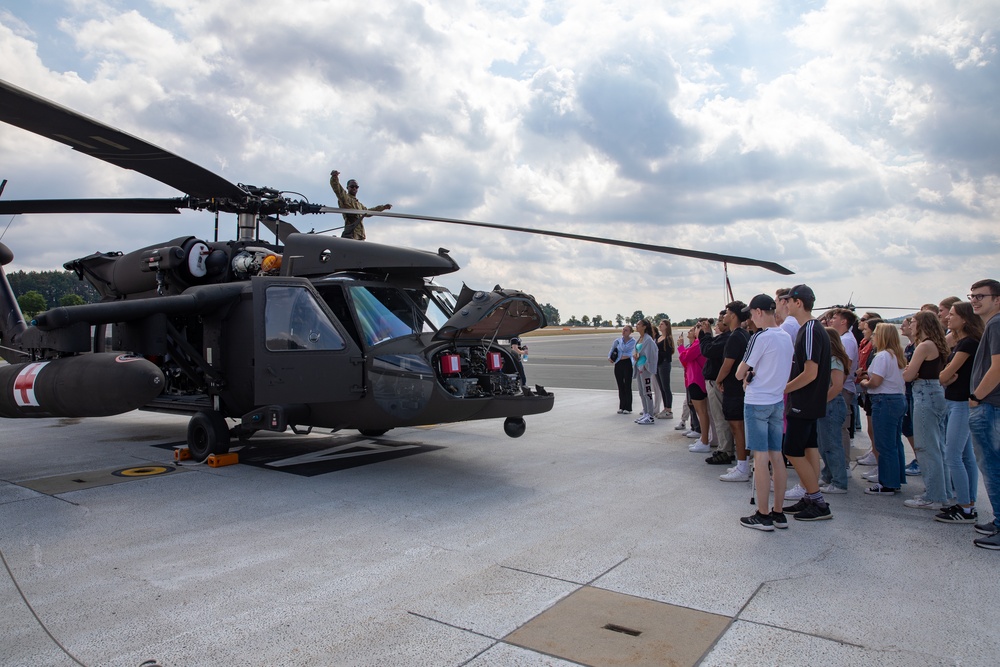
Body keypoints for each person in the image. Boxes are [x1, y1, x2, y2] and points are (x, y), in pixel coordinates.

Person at [737, 294, 794, 530]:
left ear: (759, 312)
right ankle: (778, 512)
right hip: (776, 401)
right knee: (776, 456)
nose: (751, 319)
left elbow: (741, 372)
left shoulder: (760, 337)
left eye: (751, 314)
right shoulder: (786, 336)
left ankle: (762, 513)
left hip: (757, 401)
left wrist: (747, 376)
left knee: (760, 458)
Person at [780, 285, 833, 522]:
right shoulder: (810, 328)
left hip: (805, 400)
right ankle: (811, 496)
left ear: (798, 303)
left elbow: (811, 372)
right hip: (809, 401)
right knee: (809, 447)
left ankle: (818, 501)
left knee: (791, 449)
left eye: (788, 301)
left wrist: (783, 389)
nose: (786, 305)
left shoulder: (810, 330)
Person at [935, 301, 982, 524]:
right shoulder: (964, 341)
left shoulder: (967, 344)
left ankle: (965, 507)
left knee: (953, 455)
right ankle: (967, 501)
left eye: (952, 315)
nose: (947, 318)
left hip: (960, 404)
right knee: (965, 456)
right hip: (957, 402)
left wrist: (946, 376)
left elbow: (943, 376)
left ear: (964, 318)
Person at [901, 311, 949, 510]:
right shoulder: (938, 344)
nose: (910, 325)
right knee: (938, 446)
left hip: (924, 393)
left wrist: (909, 371)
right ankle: (944, 490)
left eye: (913, 322)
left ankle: (934, 495)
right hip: (936, 391)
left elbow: (908, 375)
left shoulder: (924, 345)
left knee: (926, 447)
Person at [968, 279, 1000, 549]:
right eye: (972, 296)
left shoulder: (997, 323)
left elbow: (998, 367)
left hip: (989, 406)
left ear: (997, 299)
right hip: (989, 406)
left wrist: (977, 396)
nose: (975, 300)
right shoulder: (992, 324)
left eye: (981, 296)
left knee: (993, 468)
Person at [859, 323, 908, 496]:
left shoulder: (882, 356)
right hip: (897, 398)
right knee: (895, 443)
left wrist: (864, 382)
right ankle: (896, 478)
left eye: (876, 334)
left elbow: (875, 382)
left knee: (884, 444)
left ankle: (887, 483)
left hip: (884, 400)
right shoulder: (897, 355)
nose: (873, 337)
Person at [718, 302, 752, 480]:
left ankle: (743, 466)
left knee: (737, 426)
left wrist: (719, 379)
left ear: (733, 316)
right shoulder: (743, 334)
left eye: (727, 312)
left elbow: (728, 364)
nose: (724, 315)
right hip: (739, 388)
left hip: (734, 388)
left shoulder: (735, 337)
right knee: (738, 427)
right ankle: (742, 463)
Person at [817, 327, 851, 493]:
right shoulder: (828, 359)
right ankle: (828, 475)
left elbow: (837, 386)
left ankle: (839, 481)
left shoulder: (834, 360)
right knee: (824, 444)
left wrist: (820, 402)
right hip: (828, 404)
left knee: (832, 444)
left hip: (831, 405)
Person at [329, 170, 392, 240]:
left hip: (360, 235)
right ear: (347, 188)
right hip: (351, 234)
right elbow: (338, 190)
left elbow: (368, 212)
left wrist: (383, 207)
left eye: (356, 187)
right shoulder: (346, 199)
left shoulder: (359, 204)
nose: (354, 188)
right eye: (352, 186)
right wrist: (334, 177)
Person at [678, 327, 711, 452]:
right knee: (700, 411)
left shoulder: (698, 343)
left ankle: (705, 441)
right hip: (693, 378)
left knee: (701, 411)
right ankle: (704, 438)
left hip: (697, 379)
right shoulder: (697, 344)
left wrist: (681, 347)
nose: (693, 331)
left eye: (695, 329)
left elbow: (685, 357)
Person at [632, 318, 659, 425]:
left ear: (644, 327)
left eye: (639, 324)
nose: (637, 326)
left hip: (645, 369)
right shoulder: (640, 338)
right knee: (641, 392)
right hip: (638, 367)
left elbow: (653, 354)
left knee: (647, 391)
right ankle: (646, 412)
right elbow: (638, 351)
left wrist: (646, 365)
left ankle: (650, 415)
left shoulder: (648, 340)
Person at [609, 325, 636, 414]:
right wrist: (610, 357)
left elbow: (624, 348)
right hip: (618, 363)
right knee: (620, 385)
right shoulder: (617, 340)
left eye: (626, 330)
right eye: (623, 330)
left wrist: (619, 344)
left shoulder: (633, 341)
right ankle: (622, 406)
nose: (624, 331)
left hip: (627, 363)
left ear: (630, 332)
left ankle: (628, 407)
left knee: (627, 385)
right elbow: (612, 349)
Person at [655, 320, 675, 419]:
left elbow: (667, 353)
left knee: (666, 387)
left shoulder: (668, 339)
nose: (660, 325)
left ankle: (669, 410)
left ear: (667, 326)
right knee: (661, 387)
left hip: (664, 364)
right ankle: (665, 408)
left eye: (662, 324)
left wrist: (657, 352)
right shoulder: (659, 338)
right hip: (657, 364)